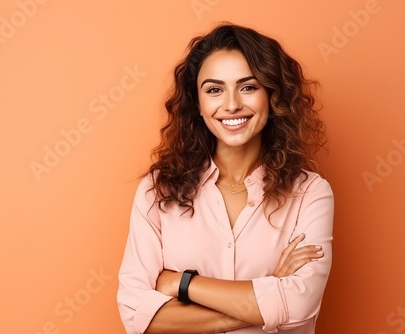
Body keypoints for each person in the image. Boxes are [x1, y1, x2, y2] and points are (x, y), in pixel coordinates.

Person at [117, 23, 334, 334]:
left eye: (248, 87)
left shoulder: (310, 193)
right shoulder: (157, 191)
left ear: (272, 96)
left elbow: (301, 306)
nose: (231, 104)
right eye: (214, 89)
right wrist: (271, 292)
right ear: (197, 104)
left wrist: (181, 283)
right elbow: (136, 316)